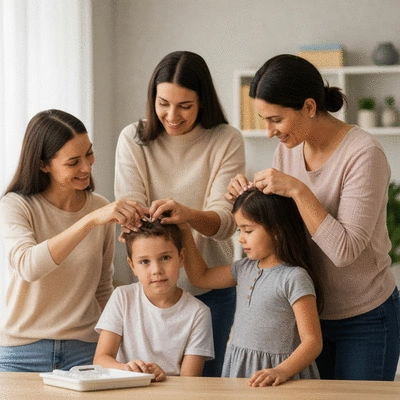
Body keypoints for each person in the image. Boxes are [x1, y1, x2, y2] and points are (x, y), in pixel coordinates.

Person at [227, 54, 400, 381]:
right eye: (264, 119)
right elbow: (284, 226)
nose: (268, 132)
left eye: (275, 119)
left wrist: (297, 190)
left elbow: (344, 251)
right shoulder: (288, 149)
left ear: (309, 106)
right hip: (309, 316)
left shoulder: (363, 154)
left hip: (365, 318)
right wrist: (247, 197)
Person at [114, 50, 245, 377]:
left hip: (211, 290)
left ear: (203, 101)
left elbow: (225, 222)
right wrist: (133, 217)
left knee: (206, 389)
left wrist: (186, 214)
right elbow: (131, 206)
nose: (172, 116)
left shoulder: (225, 139)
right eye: (163, 103)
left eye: (184, 106)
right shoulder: (133, 138)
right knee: (150, 385)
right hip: (152, 289)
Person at [0, 109, 140, 372]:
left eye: (89, 153)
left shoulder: (100, 207)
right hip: (22, 352)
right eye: (73, 161)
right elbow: (29, 266)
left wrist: (120, 347)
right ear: (43, 164)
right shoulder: (16, 205)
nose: (87, 167)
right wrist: (89, 221)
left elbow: (101, 287)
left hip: (84, 350)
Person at [180, 188, 323, 386]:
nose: (241, 238)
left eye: (248, 230)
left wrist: (281, 371)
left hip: (281, 378)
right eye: (240, 231)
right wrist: (185, 230)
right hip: (241, 371)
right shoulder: (243, 268)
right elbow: (200, 277)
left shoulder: (294, 277)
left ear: (277, 231)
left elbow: (312, 341)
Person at [93, 215, 214, 380]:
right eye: (144, 262)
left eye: (165, 258)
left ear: (181, 258)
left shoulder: (198, 313)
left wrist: (163, 378)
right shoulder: (122, 297)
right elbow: (100, 360)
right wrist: (126, 369)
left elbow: (189, 382)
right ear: (132, 265)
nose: (156, 270)